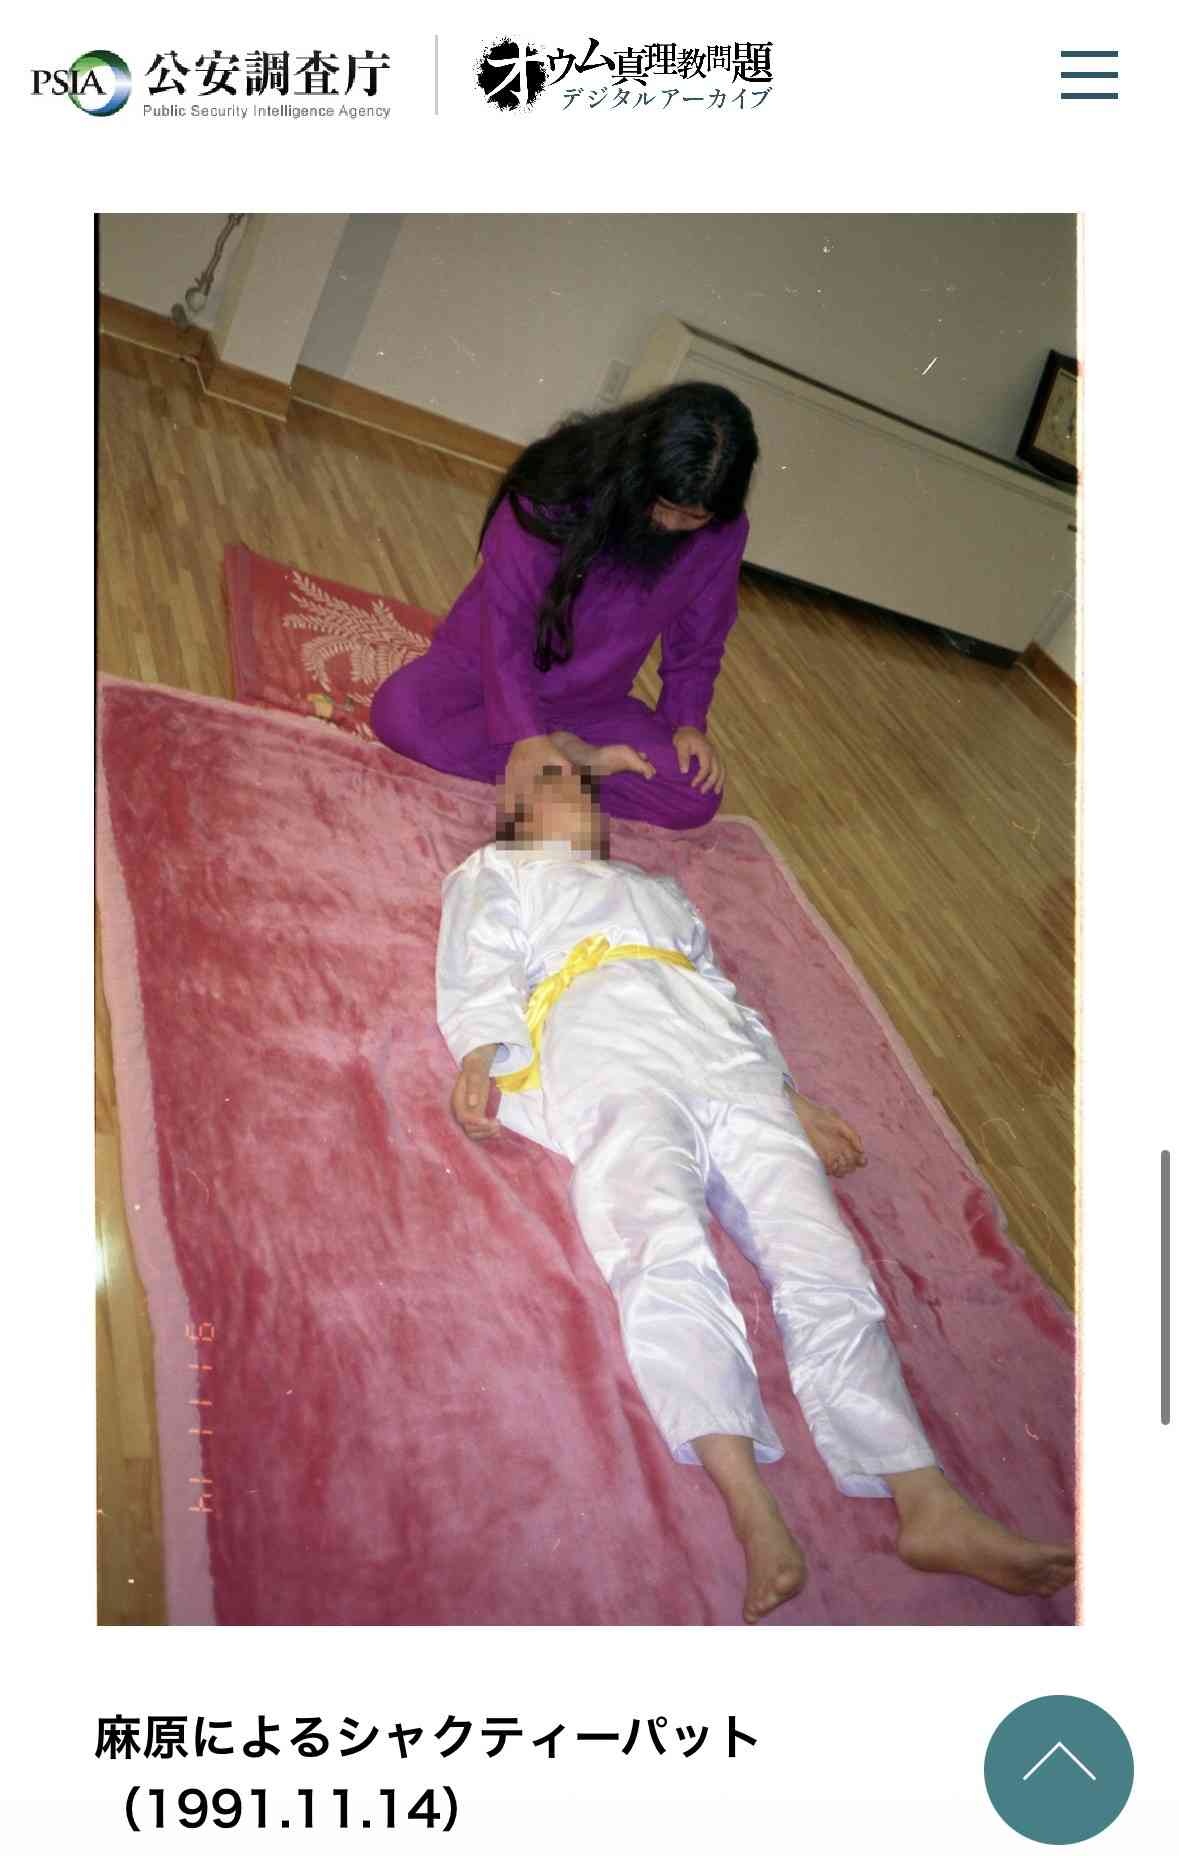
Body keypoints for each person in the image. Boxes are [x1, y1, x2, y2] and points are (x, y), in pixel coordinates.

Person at [435, 765, 1076, 1623]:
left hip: (726, 1060)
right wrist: (481, 1053)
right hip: (606, 1045)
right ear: (512, 812)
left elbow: (728, 995)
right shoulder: (497, 870)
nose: (577, 792)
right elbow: (476, 960)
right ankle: (748, 1501)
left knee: (821, 1252)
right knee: (658, 1243)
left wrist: (788, 1093)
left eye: (584, 787)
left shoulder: (656, 890)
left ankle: (924, 1497)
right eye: (553, 781)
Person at [372, 382, 758, 831]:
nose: (672, 525)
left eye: (694, 518)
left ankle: (560, 757)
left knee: (694, 793)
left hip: (590, 705)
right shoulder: (556, 484)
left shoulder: (723, 533)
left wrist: (686, 722)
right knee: (398, 714)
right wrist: (524, 733)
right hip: (486, 674)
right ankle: (564, 758)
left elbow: (700, 639)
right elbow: (505, 622)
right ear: (641, 467)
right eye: (664, 506)